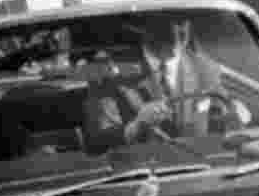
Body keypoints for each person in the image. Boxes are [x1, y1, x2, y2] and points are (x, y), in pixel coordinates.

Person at [84, 17, 239, 152]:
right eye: (164, 18)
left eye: (181, 19)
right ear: (143, 21)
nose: (176, 29)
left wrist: (233, 116)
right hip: (139, 175)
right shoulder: (107, 71)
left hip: (196, 173)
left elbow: (222, 131)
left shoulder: (205, 68)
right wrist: (137, 126)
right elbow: (98, 142)